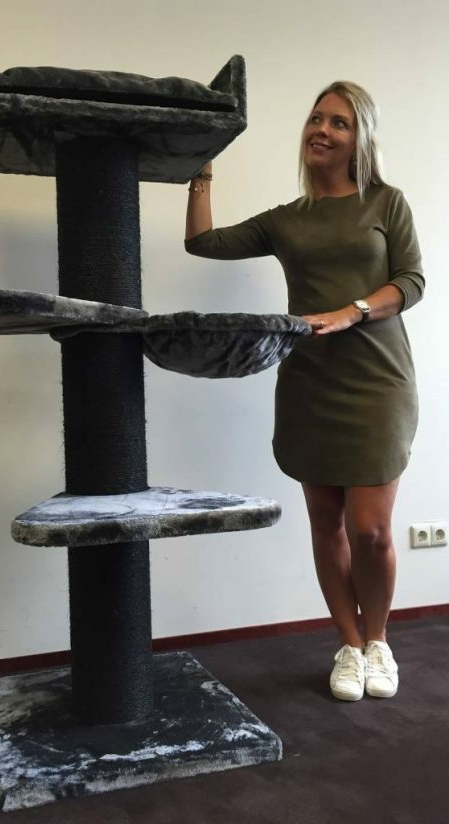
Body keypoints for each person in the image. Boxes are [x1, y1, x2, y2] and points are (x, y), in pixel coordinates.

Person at [184, 81, 424, 702]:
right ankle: (348, 644)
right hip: (309, 384)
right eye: (317, 118)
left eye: (339, 122)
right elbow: (202, 243)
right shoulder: (287, 220)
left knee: (370, 530)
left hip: (377, 383)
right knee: (326, 524)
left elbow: (411, 281)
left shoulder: (386, 202)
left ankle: (379, 641)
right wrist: (200, 171)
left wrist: (351, 311)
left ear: (359, 138)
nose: (322, 129)